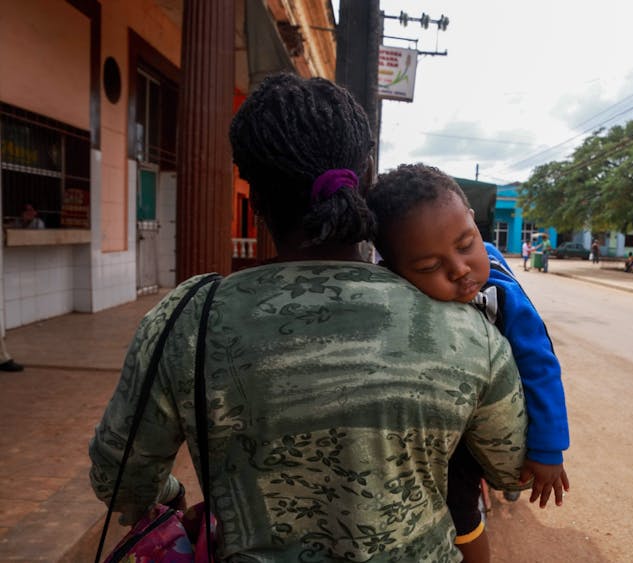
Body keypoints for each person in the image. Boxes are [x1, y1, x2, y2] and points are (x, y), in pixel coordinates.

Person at [89, 73, 528, 561]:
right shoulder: (465, 329)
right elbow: (512, 468)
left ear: (255, 200)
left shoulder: (187, 321)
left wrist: (174, 497)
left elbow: (120, 479)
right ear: (365, 177)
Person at [367, 163, 570, 563]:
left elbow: (541, 364)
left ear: (475, 224)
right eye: (429, 267)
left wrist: (548, 448)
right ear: (392, 270)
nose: (460, 270)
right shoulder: (387, 293)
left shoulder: (501, 290)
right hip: (421, 426)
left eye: (466, 244)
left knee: (460, 510)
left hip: (473, 432)